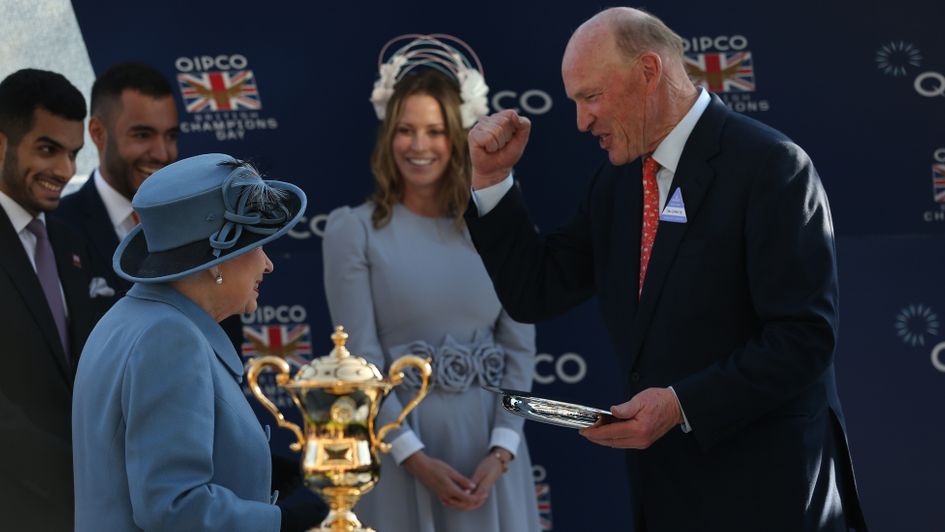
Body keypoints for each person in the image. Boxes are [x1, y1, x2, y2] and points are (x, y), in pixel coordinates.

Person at [464, 8, 868, 532]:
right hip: (668, 496)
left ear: (648, 72)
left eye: (591, 96)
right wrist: (492, 180)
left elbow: (803, 340)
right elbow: (536, 291)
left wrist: (680, 405)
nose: (582, 121)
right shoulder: (619, 184)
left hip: (771, 496)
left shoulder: (772, 166)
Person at [323, 34, 540, 532]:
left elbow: (519, 346)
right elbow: (360, 361)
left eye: (435, 131)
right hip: (403, 455)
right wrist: (413, 457)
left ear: (458, 135)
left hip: (493, 455)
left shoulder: (497, 218)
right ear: (387, 136)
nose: (419, 146)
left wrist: (502, 450)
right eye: (406, 130)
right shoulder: (351, 230)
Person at [72, 153, 307, 531]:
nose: (267, 264)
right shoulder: (168, 339)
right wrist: (287, 523)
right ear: (216, 261)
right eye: (256, 246)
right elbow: (173, 506)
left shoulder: (128, 319)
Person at [0, 68, 100, 530]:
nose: (64, 171)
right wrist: (82, 476)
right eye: (47, 149)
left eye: (73, 153)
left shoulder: (69, 243)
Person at [56, 61, 179, 308]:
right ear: (98, 133)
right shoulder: (55, 228)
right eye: (143, 135)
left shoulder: (197, 221)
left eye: (171, 136)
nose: (162, 153)